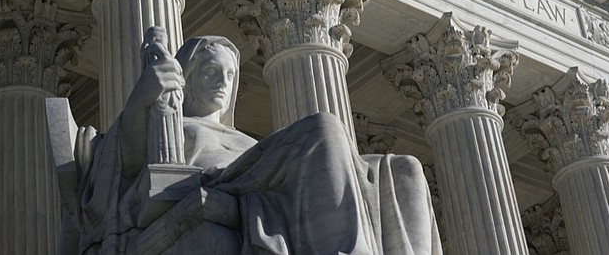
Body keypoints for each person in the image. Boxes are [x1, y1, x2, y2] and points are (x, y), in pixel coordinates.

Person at [73, 29, 443, 254]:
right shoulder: (170, 122)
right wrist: (145, 95)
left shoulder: (244, 139)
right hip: (219, 181)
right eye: (210, 71)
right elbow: (123, 166)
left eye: (230, 74)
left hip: (262, 181)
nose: (223, 81)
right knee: (325, 128)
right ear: (187, 75)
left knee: (405, 169)